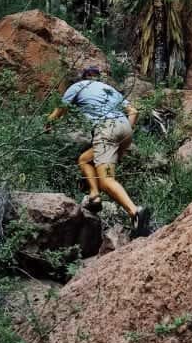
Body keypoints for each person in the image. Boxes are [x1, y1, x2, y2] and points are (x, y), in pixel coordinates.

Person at [45, 66, 151, 237]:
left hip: (106, 130)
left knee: (107, 180)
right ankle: (94, 196)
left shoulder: (79, 86)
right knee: (85, 160)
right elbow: (134, 112)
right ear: (97, 77)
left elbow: (61, 108)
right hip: (125, 129)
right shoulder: (109, 90)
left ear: (84, 77)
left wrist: (48, 122)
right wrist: (122, 135)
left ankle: (135, 212)